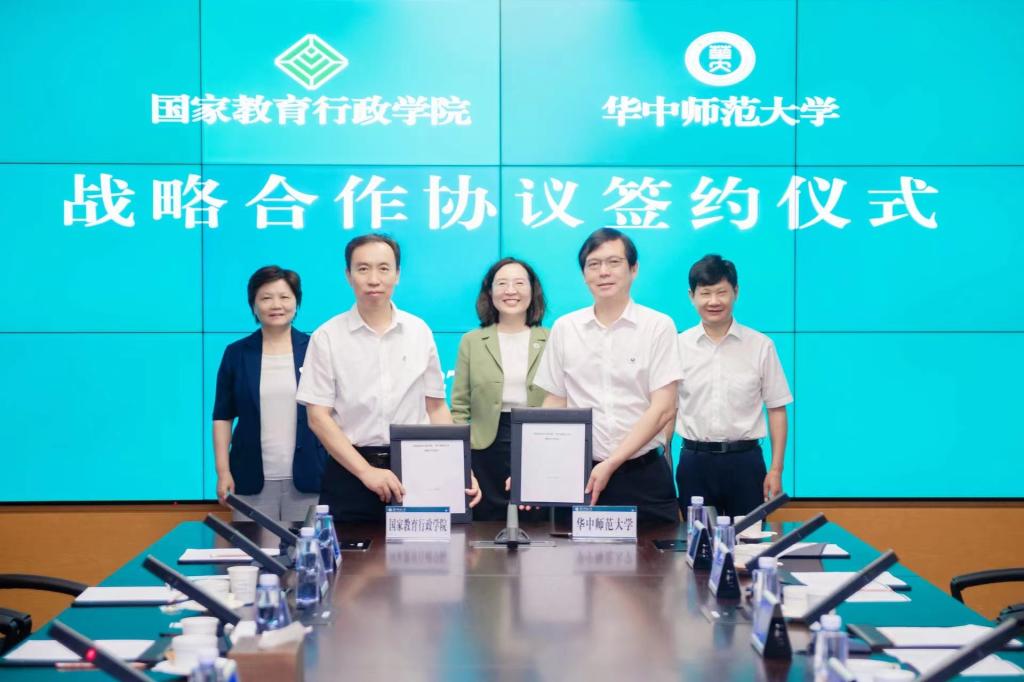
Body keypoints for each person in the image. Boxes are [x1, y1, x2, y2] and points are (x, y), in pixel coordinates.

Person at [296, 234, 481, 523]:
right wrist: (366, 472)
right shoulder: (327, 336)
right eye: (363, 268)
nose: (374, 279)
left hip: (417, 468)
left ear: (397, 275)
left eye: (384, 268)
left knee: (422, 552)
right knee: (348, 553)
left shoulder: (419, 331)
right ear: (348, 275)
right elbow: (318, 417)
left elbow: (436, 408)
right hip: (350, 472)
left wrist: (460, 467)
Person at [528, 228, 681, 525]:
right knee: (575, 554)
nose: (603, 272)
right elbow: (556, 402)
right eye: (594, 264)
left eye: (614, 262)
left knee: (656, 554)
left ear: (633, 269)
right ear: (584, 274)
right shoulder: (565, 328)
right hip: (580, 475)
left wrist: (613, 462)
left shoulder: (658, 326)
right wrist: (534, 464)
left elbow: (663, 408)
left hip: (644, 474)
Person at [671, 254, 793, 519]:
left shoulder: (760, 346)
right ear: (692, 296)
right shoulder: (677, 347)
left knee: (750, 540)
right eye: (705, 293)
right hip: (695, 462)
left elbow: (776, 409)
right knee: (698, 539)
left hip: (745, 463)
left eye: (721, 292)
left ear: (735, 292)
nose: (713, 301)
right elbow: (667, 411)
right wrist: (665, 466)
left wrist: (776, 470)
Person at [212, 266, 326, 523]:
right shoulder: (237, 353)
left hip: (309, 477)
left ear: (296, 302)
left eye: (284, 297)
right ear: (253, 305)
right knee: (252, 548)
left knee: (306, 547)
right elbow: (222, 417)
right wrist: (223, 472)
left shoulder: (315, 349)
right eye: (266, 298)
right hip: (250, 479)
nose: (276, 305)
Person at [451, 258, 549, 521]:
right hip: (484, 448)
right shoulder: (472, 341)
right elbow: (459, 408)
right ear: (490, 291)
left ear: (533, 290)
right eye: (502, 283)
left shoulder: (551, 338)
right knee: (485, 526)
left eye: (519, 283)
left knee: (536, 524)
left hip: (538, 443)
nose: (510, 291)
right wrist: (461, 460)